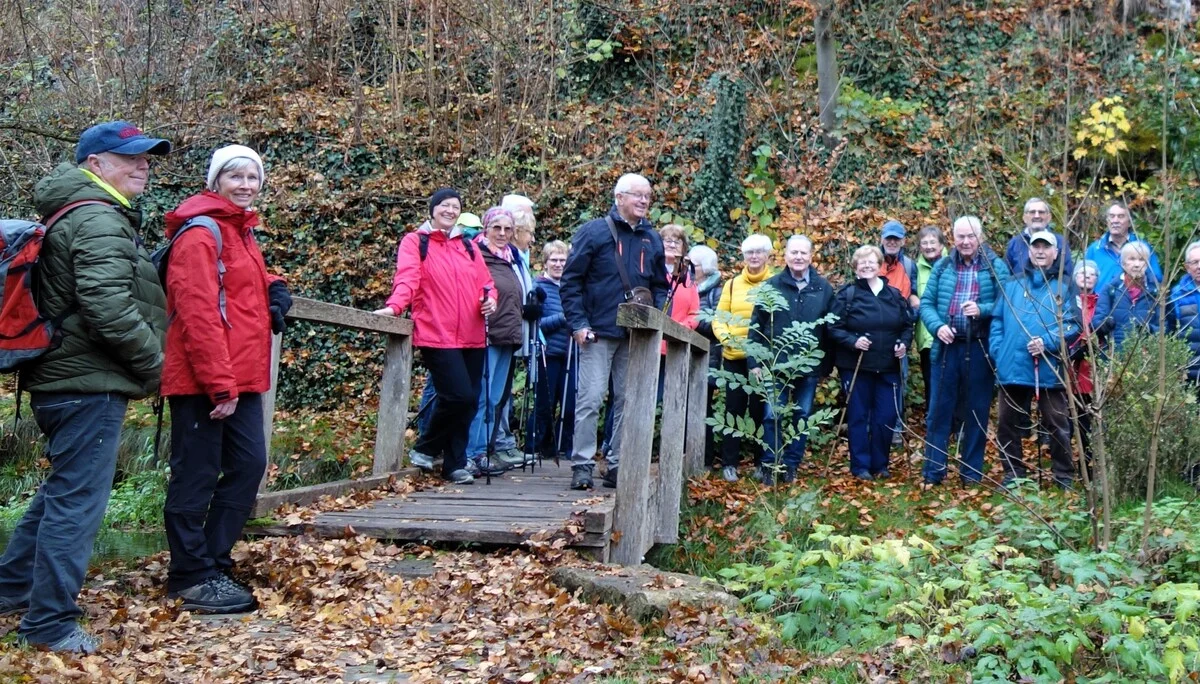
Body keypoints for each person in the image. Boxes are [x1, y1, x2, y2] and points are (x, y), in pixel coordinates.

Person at [0, 121, 170, 653]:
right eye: (129, 158)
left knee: (61, 493)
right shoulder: (98, 218)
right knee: (78, 503)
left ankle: (9, 590)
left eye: (146, 158)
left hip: (62, 378)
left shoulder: (75, 212)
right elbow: (107, 306)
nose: (142, 165)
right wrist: (156, 365)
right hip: (84, 381)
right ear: (94, 165)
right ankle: (49, 624)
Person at [160, 144, 292, 613]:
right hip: (205, 379)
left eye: (253, 177)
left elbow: (242, 280)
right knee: (195, 474)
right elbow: (196, 311)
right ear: (215, 182)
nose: (246, 185)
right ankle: (189, 575)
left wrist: (276, 287)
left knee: (249, 465)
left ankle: (211, 559)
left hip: (242, 375)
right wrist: (219, 384)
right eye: (235, 176)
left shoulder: (239, 232)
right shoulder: (200, 232)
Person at [375, 187, 497, 484]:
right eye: (444, 205)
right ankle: (426, 446)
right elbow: (408, 278)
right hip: (436, 333)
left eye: (455, 206)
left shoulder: (468, 247)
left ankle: (454, 465)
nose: (450, 210)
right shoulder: (416, 242)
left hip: (473, 333)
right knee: (457, 396)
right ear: (432, 209)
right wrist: (395, 306)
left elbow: (487, 283)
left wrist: (490, 299)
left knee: (469, 402)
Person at [560, 173, 668, 490]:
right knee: (591, 399)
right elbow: (571, 282)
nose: (644, 201)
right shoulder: (593, 232)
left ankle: (616, 464)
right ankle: (582, 464)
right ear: (619, 197)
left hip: (635, 335)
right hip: (597, 330)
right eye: (638, 195)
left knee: (626, 400)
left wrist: (656, 314)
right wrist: (578, 324)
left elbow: (660, 285)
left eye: (648, 196)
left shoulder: (653, 238)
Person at [920, 216, 1011, 486]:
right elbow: (926, 303)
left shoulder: (996, 266)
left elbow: (1006, 302)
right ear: (953, 238)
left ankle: (971, 473)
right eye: (960, 236)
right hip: (946, 349)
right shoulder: (944, 265)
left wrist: (982, 310)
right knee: (938, 411)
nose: (966, 241)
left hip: (980, 348)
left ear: (980, 237)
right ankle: (933, 471)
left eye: (971, 236)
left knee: (976, 411)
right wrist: (937, 327)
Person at [989, 231, 1081, 489]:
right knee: (1008, 424)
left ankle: (1064, 477)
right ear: (1029, 251)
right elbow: (997, 319)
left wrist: (1048, 341)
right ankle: (1013, 476)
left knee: (1057, 424)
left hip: (1048, 368)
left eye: (1046, 247)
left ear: (1055, 252)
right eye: (1036, 247)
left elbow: (1074, 325)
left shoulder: (1066, 285)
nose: (1040, 251)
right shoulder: (1012, 283)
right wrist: (999, 349)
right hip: (1011, 365)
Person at [748, 235, 834, 483]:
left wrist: (825, 365)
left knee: (802, 418)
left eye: (803, 253)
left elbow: (830, 331)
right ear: (785, 255)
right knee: (771, 415)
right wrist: (755, 362)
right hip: (776, 365)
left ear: (811, 256)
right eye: (793, 252)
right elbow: (756, 327)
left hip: (808, 367)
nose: (798, 257)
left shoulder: (823, 288)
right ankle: (769, 465)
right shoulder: (772, 286)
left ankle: (791, 465)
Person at [829, 246, 913, 480]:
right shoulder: (848, 295)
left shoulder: (894, 295)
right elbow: (833, 328)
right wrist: (853, 341)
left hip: (888, 367)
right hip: (856, 367)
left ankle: (880, 464)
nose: (867, 266)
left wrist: (903, 344)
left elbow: (907, 326)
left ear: (879, 266)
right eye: (861, 263)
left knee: (886, 417)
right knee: (858, 416)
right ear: (855, 268)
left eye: (871, 262)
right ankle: (860, 466)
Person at [465, 207, 538, 473]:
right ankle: (471, 453)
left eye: (508, 229)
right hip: (485, 333)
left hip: (508, 335)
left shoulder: (512, 258)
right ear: (486, 228)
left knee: (495, 397)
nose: (503, 233)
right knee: (482, 396)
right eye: (497, 228)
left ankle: (484, 451)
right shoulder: (477, 254)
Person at [712, 234, 775, 482]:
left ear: (768, 255)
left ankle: (762, 463)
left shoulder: (775, 283)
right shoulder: (732, 285)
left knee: (760, 411)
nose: (754, 256)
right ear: (743, 256)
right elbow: (719, 318)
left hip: (761, 360)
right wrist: (729, 340)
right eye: (750, 252)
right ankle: (730, 463)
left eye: (759, 252)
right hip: (734, 357)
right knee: (734, 410)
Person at [493, 194, 539, 463]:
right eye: (529, 232)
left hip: (514, 328)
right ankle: (497, 443)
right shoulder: (504, 255)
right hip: (502, 329)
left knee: (505, 388)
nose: (531, 239)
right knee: (496, 390)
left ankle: (503, 441)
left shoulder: (518, 256)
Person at [534, 241, 575, 461]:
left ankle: (566, 446)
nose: (558, 264)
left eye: (562, 260)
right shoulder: (539, 287)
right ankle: (540, 447)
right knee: (545, 404)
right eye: (554, 260)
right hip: (548, 353)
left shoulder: (571, 286)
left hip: (571, 353)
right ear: (546, 262)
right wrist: (562, 318)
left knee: (570, 404)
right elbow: (536, 324)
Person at [879, 220, 917, 443]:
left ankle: (894, 429)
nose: (892, 242)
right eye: (888, 238)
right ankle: (874, 426)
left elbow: (916, 295)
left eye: (896, 238)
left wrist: (912, 316)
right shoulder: (872, 260)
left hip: (899, 332)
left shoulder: (909, 266)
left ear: (903, 241)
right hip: (875, 330)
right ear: (882, 239)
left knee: (899, 380)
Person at [689, 244, 723, 469]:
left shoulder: (717, 290)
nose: (690, 268)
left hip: (707, 359)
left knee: (704, 410)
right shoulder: (685, 286)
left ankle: (705, 459)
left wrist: (691, 321)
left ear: (706, 268)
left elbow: (718, 324)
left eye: (695, 265)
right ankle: (687, 454)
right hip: (685, 357)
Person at [1093, 242, 1161, 350]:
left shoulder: (1156, 292)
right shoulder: (1111, 289)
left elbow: (1165, 327)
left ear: (1147, 264)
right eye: (1132, 259)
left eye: (1142, 259)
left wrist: (1150, 329)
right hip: (1114, 358)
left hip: (1146, 358)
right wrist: (1105, 324)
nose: (1137, 264)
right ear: (1123, 263)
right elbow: (1096, 323)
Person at [1085, 202, 1162, 290]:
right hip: (1100, 302)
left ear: (1129, 223)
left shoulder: (1142, 248)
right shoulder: (1095, 249)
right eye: (1111, 216)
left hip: (1133, 301)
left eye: (1120, 216)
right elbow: (1082, 279)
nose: (1115, 220)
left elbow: (1156, 278)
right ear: (1107, 221)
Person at [1069, 259, 1100, 471]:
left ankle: (1089, 463)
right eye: (1082, 273)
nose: (1086, 277)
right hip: (1069, 368)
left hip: (1090, 372)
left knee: (1088, 422)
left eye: (1091, 274)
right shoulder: (1067, 302)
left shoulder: (1102, 302)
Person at [914, 225, 948, 406]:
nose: (928, 246)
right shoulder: (915, 268)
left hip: (950, 333)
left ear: (942, 245)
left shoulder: (953, 264)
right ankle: (932, 420)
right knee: (930, 380)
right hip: (926, 334)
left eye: (932, 242)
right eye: (924, 243)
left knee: (951, 380)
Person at [1005, 198, 1073, 278]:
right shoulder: (1015, 243)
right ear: (1024, 218)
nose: (1037, 216)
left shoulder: (1060, 242)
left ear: (1049, 217)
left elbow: (1068, 275)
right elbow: (1007, 276)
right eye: (1032, 212)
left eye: (1041, 212)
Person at [1170, 242, 1200, 397]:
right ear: (1187, 267)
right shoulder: (1177, 294)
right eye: (1195, 262)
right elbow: (1171, 331)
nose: (1199, 266)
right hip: (1190, 367)